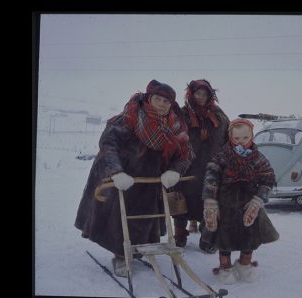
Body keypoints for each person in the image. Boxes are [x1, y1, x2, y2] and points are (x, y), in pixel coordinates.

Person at [75, 80, 193, 278]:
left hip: (152, 179)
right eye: (158, 99)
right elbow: (108, 145)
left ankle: (139, 248)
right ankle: (120, 256)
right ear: (149, 98)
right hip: (124, 175)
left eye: (166, 101)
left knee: (146, 217)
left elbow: (184, 155)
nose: (162, 104)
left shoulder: (174, 125)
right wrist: (116, 172)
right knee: (118, 218)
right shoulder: (128, 118)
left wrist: (175, 171)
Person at [201, 118, 279, 284]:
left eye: (244, 137)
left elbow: (269, 178)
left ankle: (244, 264)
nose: (241, 142)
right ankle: (225, 267)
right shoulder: (222, 156)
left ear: (251, 136)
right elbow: (211, 177)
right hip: (225, 203)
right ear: (230, 137)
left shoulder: (258, 157)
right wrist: (210, 201)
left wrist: (258, 199)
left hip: (248, 202)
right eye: (236, 138)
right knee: (224, 237)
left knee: (250, 236)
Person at [173, 79, 230, 252]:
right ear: (190, 94)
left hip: (210, 167)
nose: (201, 97)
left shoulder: (219, 115)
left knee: (210, 202)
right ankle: (180, 235)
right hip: (186, 166)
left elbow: (227, 139)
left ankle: (207, 238)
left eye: (204, 94)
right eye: (197, 93)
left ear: (210, 96)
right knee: (180, 200)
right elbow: (173, 138)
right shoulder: (181, 114)